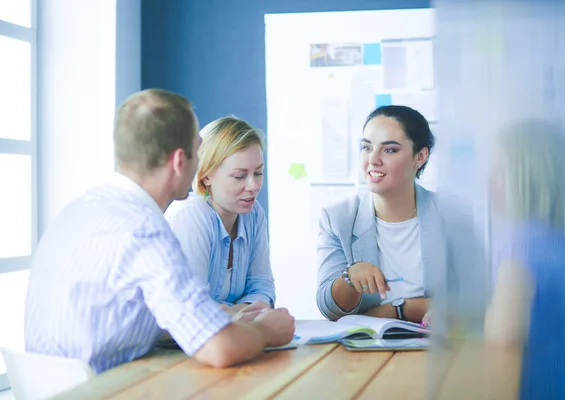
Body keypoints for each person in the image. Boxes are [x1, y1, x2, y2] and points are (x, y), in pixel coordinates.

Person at [24, 89, 294, 374]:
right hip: (100, 390)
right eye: (197, 148)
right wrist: (265, 330)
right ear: (181, 161)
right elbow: (217, 346)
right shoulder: (145, 231)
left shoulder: (78, 210)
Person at [316, 105, 486, 327]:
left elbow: (478, 299)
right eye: (366, 147)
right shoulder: (337, 219)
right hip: (364, 350)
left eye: (389, 150)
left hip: (440, 348)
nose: (373, 160)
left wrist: (399, 309)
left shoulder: (452, 215)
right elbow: (330, 310)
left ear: (420, 157)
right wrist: (351, 277)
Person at [484, 120, 565, 399]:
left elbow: (504, 342)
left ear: (526, 178)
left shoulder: (520, 243)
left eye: (499, 171)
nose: (489, 181)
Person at [165, 116, 275, 313]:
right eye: (239, 176)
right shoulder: (190, 215)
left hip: (231, 334)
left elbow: (263, 287)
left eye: (258, 173)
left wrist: (236, 314)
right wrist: (246, 313)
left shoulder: (254, 214)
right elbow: (193, 311)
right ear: (206, 176)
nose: (253, 186)